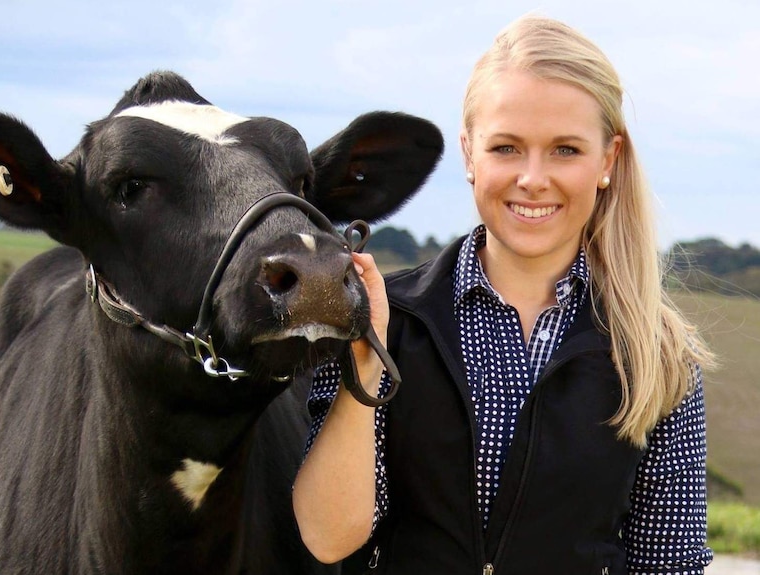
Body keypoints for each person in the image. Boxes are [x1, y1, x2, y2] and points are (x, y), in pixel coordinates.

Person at [292, 14, 715, 575]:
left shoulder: (658, 353)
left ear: (607, 160)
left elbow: (669, 566)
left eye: (565, 149)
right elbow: (327, 538)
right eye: (507, 148)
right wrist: (367, 366)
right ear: (470, 154)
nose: (533, 178)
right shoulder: (387, 322)